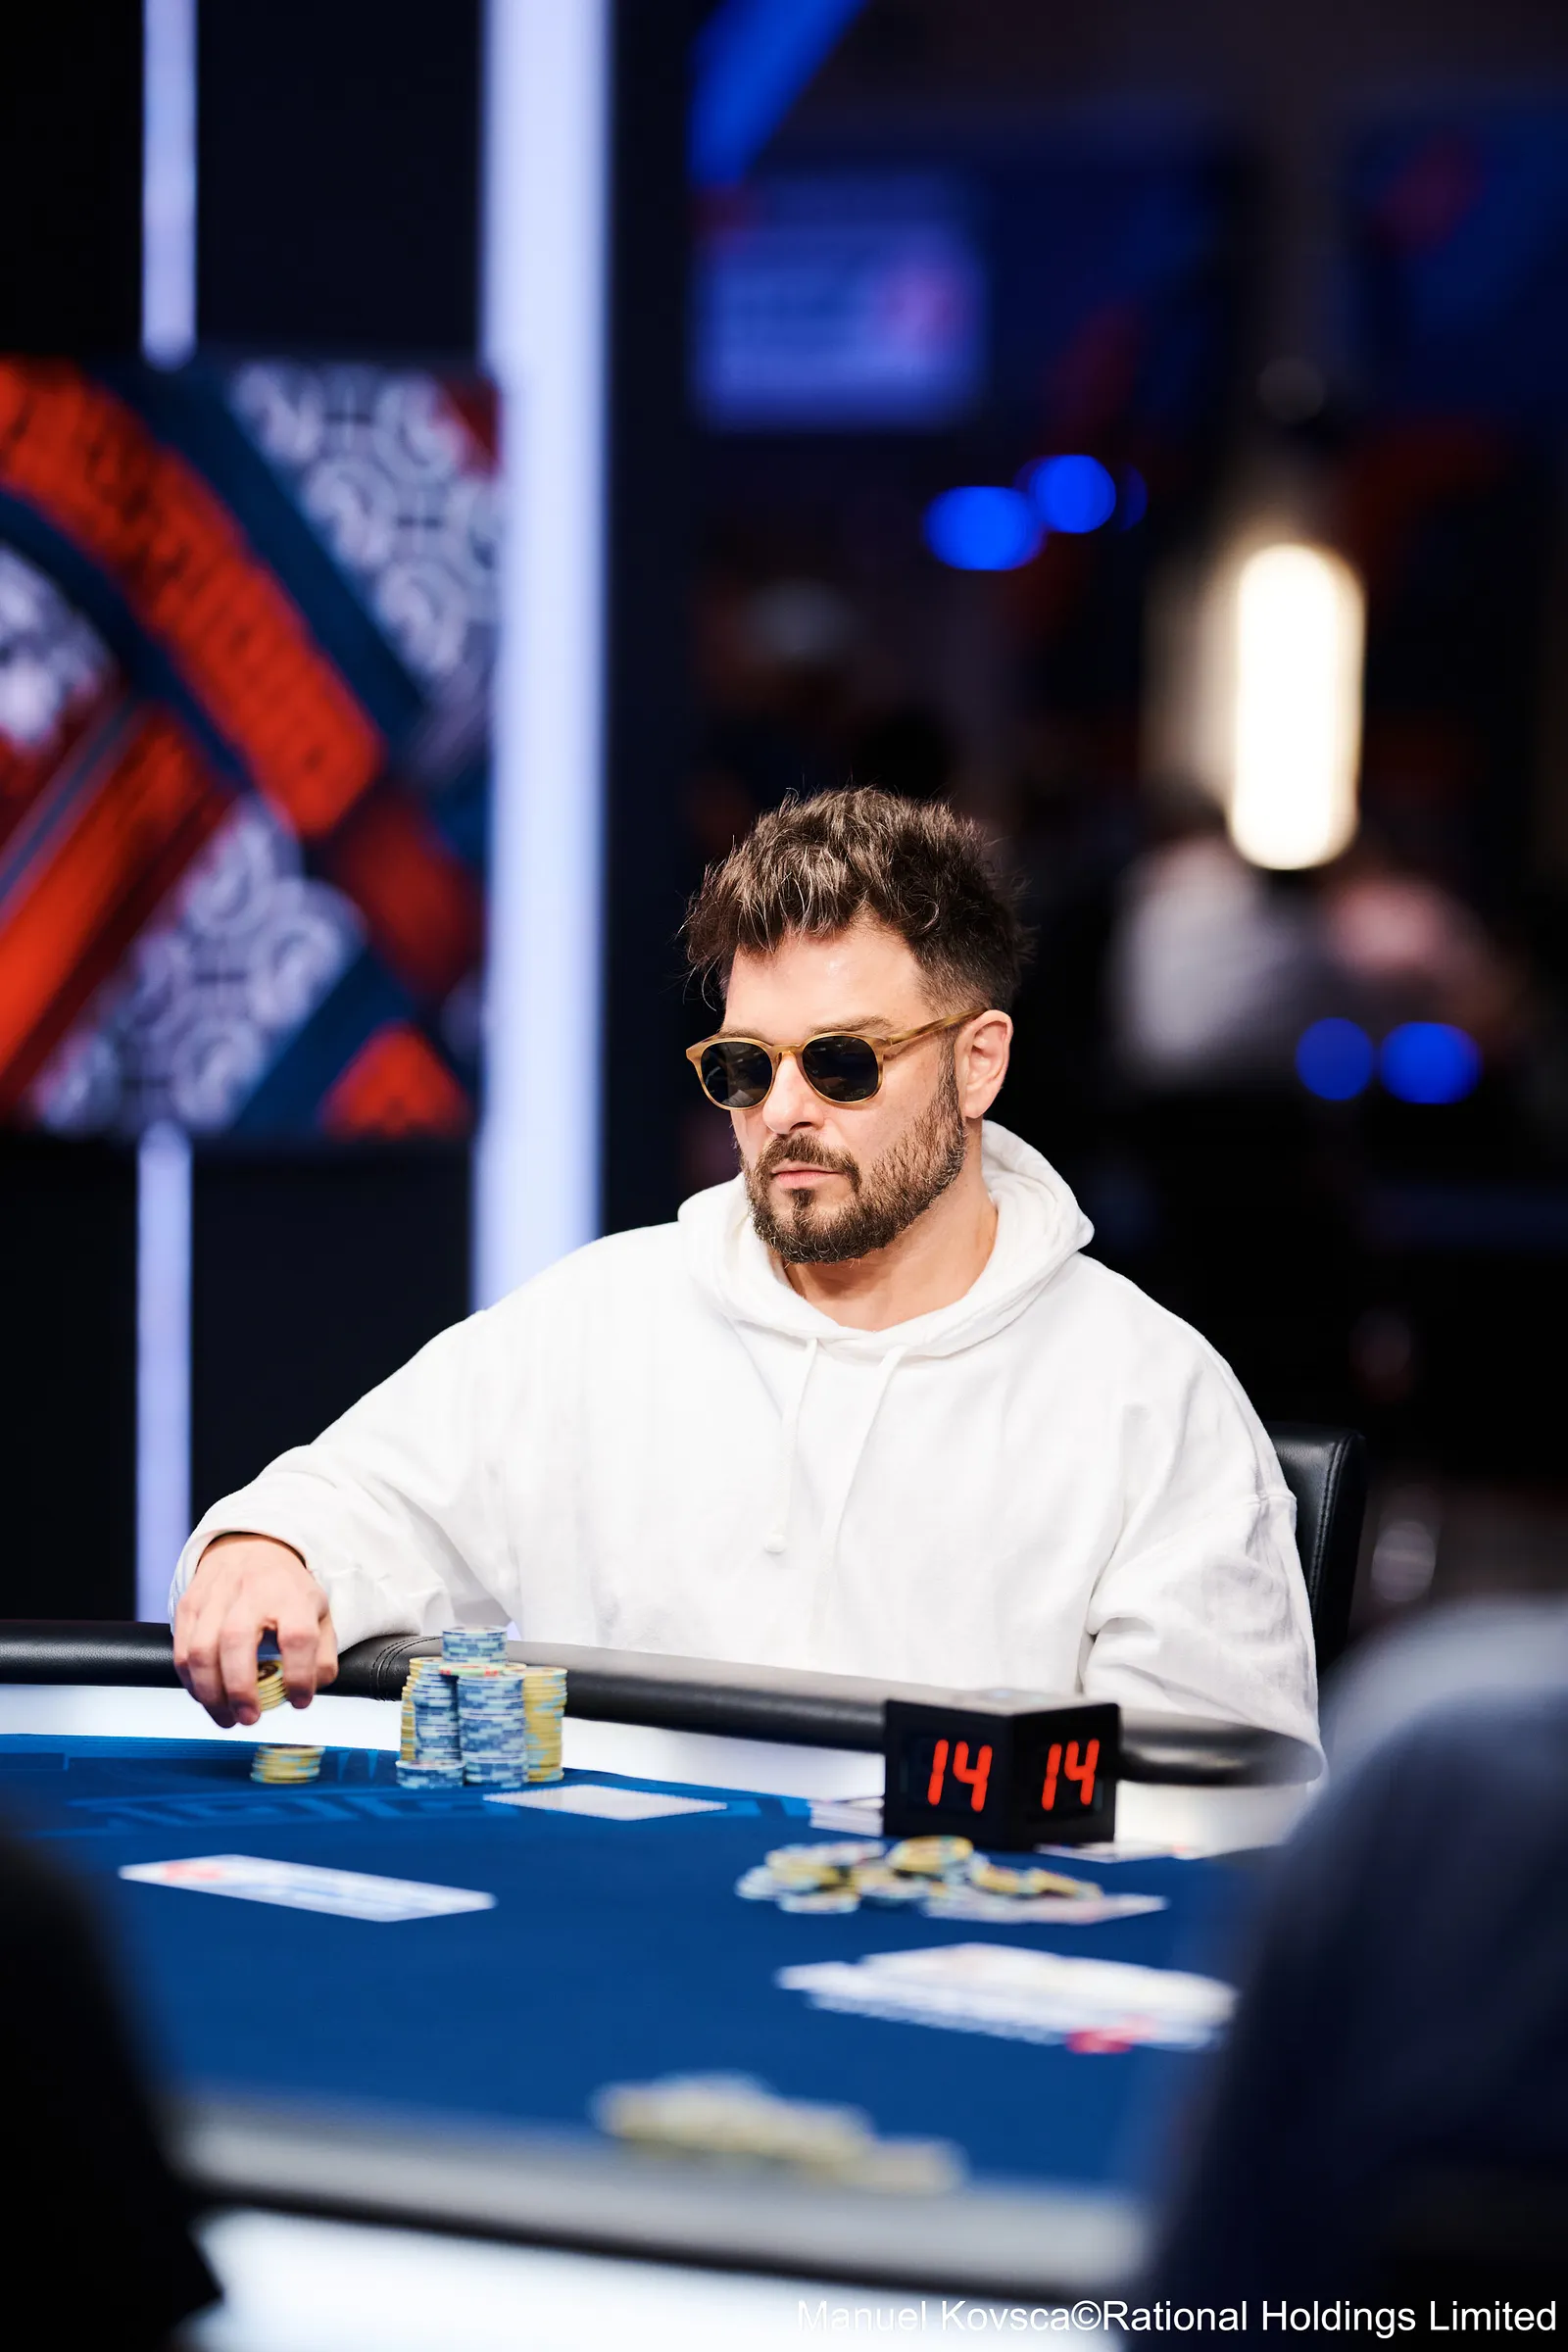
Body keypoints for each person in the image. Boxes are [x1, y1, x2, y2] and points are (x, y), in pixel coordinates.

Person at [172, 789, 1317, 1746]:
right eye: (744, 1066)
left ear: (978, 1064)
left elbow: (1211, 1815)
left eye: (841, 1062)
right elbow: (344, 1505)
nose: (782, 1112)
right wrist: (263, 1552)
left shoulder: (1150, 1399)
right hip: (619, 1933)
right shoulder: (600, 1320)